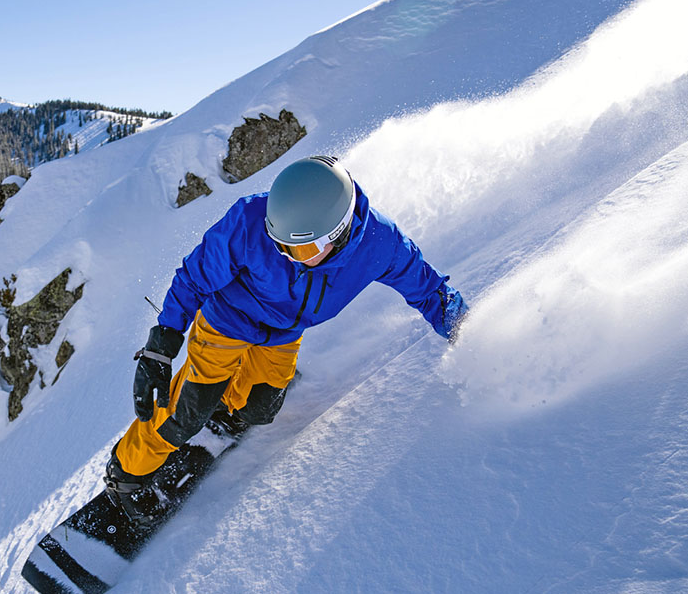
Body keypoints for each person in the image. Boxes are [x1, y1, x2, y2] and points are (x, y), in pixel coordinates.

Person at [104, 155, 468, 526]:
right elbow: (194, 278)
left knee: (259, 410)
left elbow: (431, 292)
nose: (289, 258)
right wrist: (161, 343)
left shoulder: (380, 245)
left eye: (303, 250)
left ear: (341, 233)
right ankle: (125, 474)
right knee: (184, 412)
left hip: (281, 336)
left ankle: (223, 405)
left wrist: (467, 332)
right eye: (280, 245)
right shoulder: (249, 221)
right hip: (226, 322)